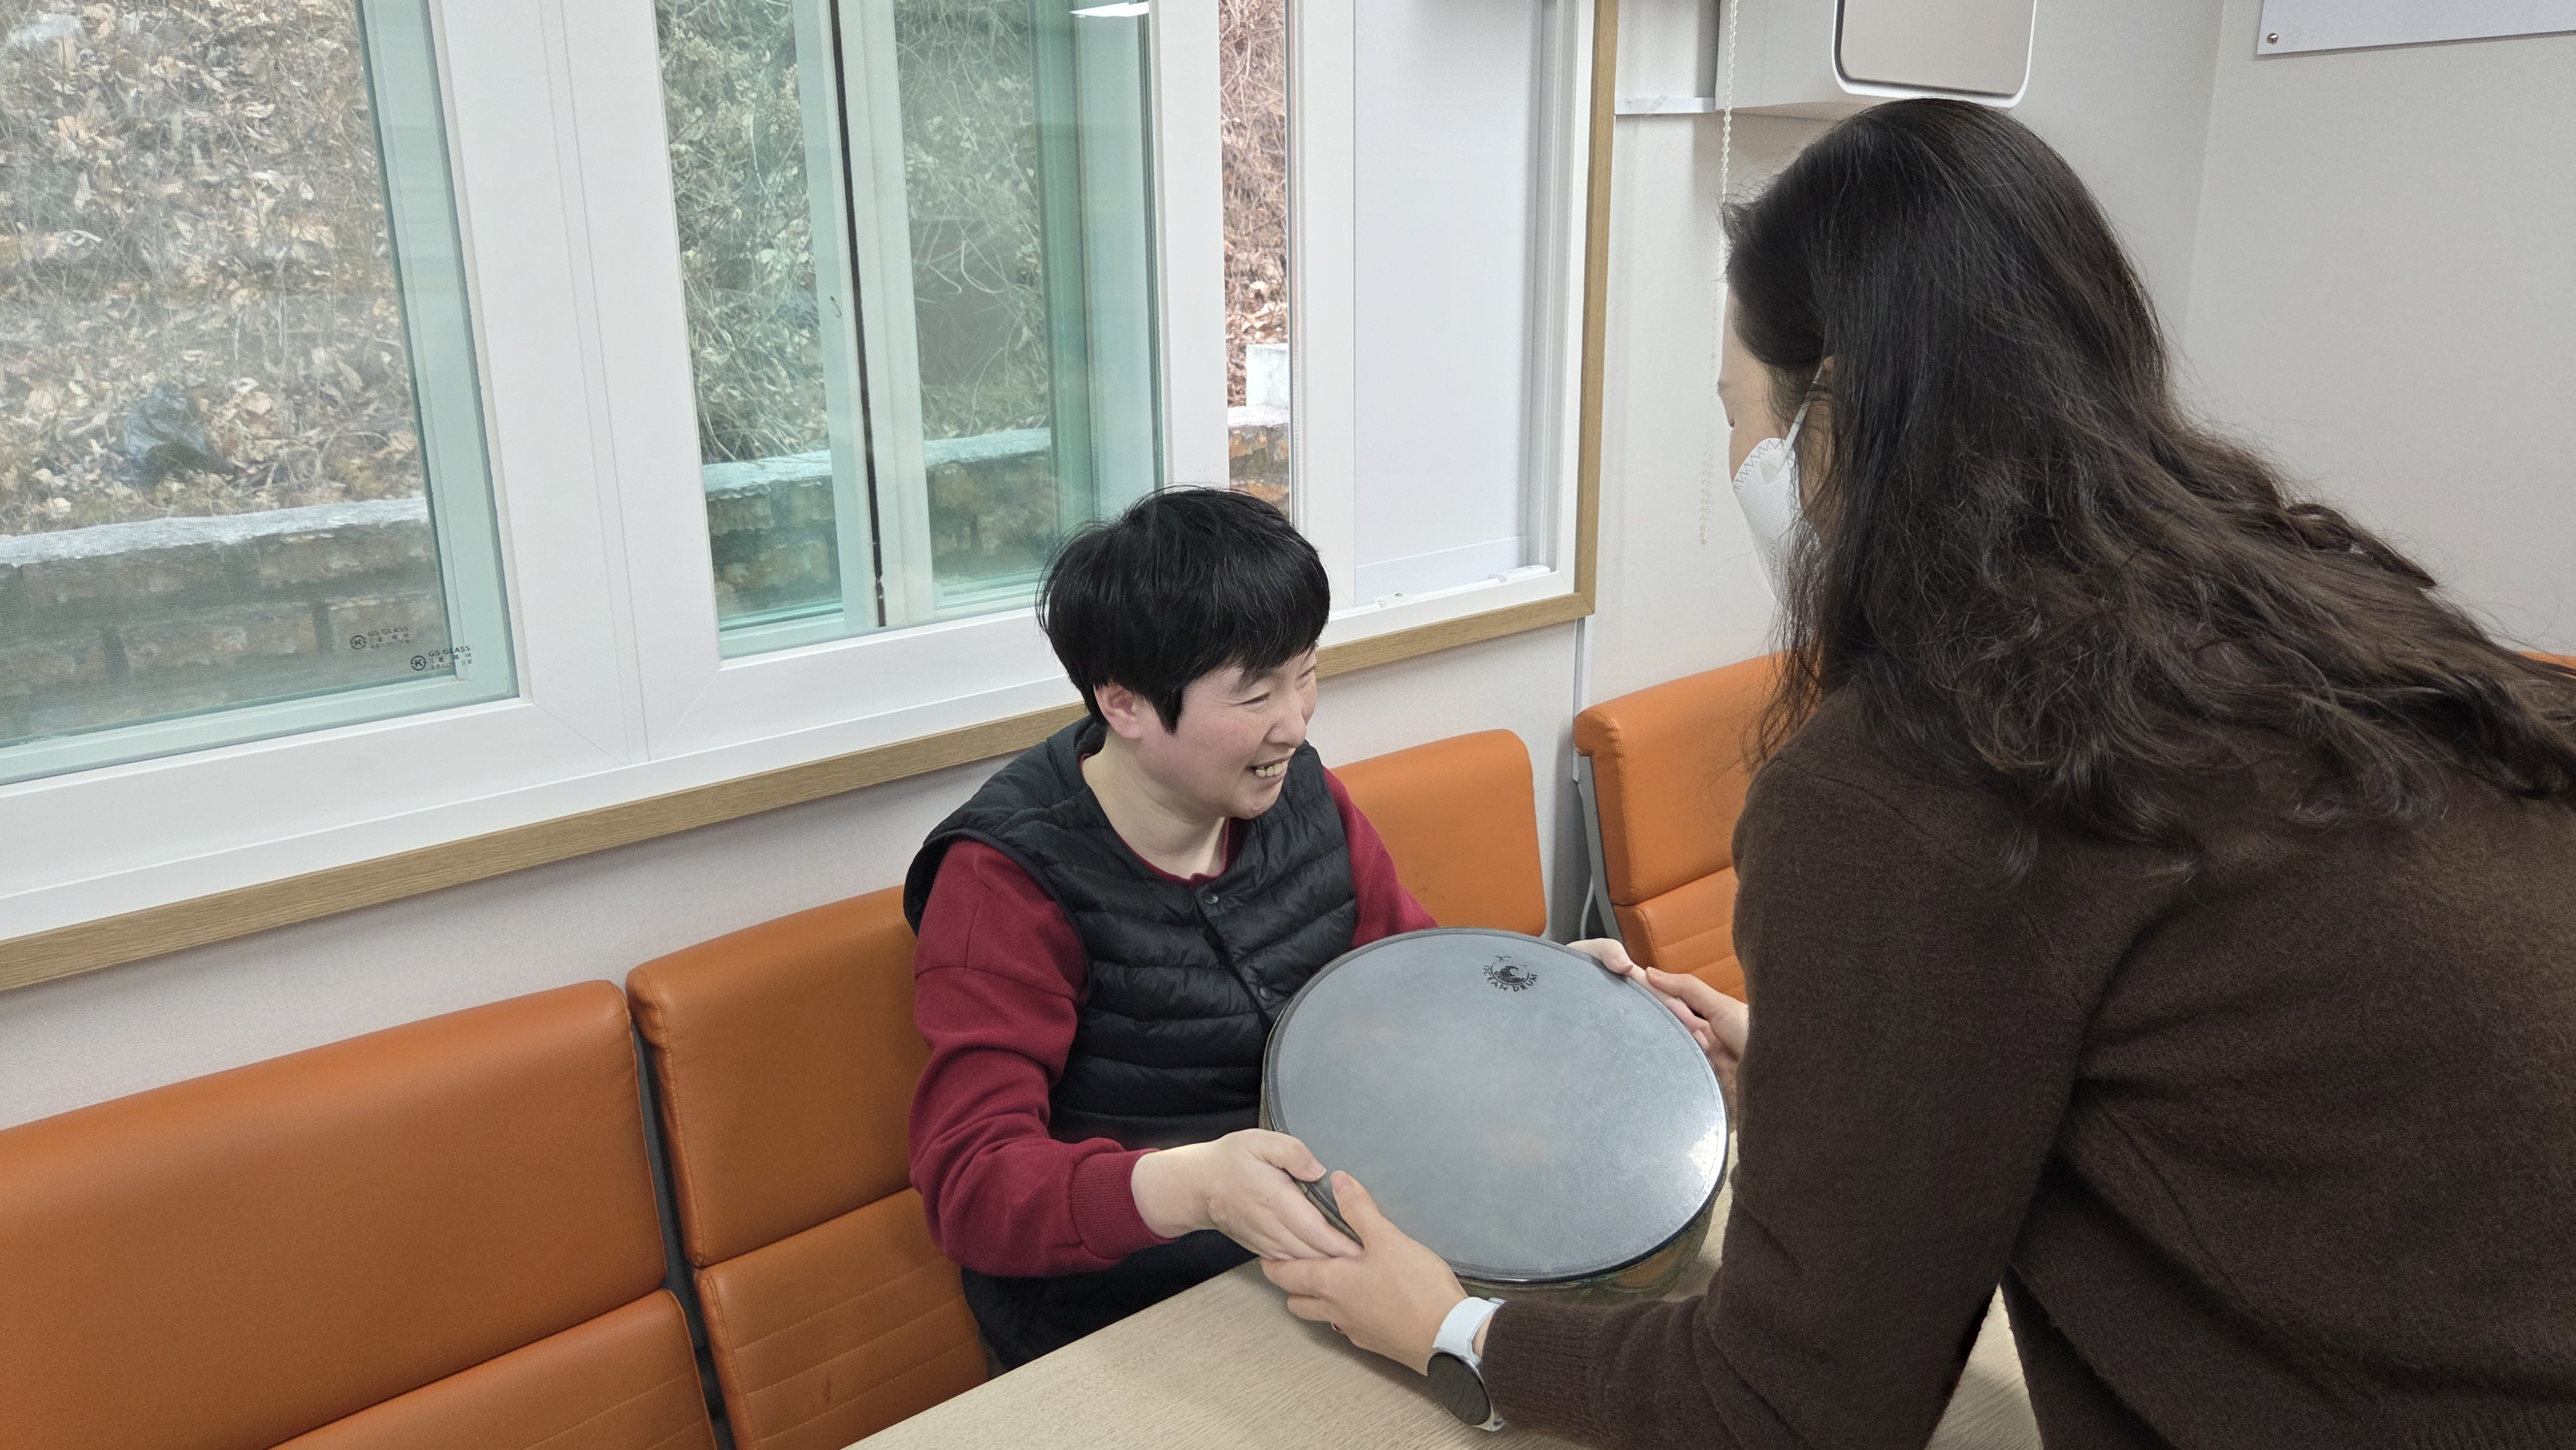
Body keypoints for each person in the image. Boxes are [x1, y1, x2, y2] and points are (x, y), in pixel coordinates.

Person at [1264, 99, 2576, 1448]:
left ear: (1831, 418)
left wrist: (1451, 1330)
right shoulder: (2310, 617)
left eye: (1736, 413)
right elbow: (2216, 1061)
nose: (1737, 459)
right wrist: (1832, 1078)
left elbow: (1789, 1404)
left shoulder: (1924, 771)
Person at [904, 487, 1658, 1369]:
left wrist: (1544, 992)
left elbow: (1411, 984)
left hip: (1330, 1243)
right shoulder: (1006, 880)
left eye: (1305, 673)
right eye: (1255, 693)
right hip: (1134, 1307)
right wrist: (1195, 1187)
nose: (1295, 723)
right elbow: (970, 1184)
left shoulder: (1296, 792)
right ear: (1125, 704)